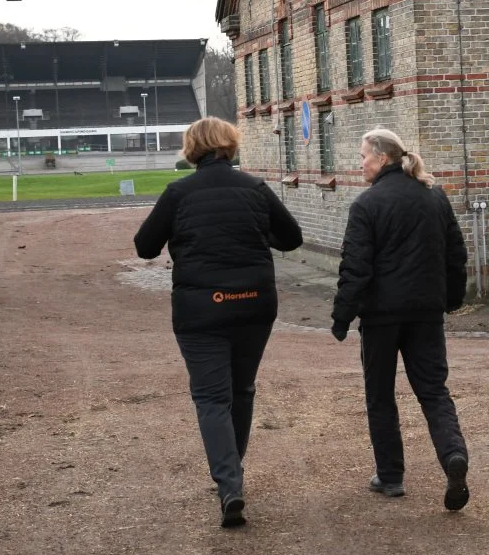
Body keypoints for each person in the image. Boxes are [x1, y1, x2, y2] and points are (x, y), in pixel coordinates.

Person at [134, 117, 303, 527]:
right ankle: (233, 475)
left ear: (192, 149)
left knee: (212, 398)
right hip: (253, 304)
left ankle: (230, 484)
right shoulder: (254, 188)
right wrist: (258, 234)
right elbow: (292, 237)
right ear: (229, 145)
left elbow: (144, 247)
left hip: (201, 309)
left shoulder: (179, 193)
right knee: (241, 389)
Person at [331, 127, 471, 511]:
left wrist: (342, 317)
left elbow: (355, 268)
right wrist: (451, 300)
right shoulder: (434, 197)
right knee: (433, 391)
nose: (360, 164)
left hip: (381, 318)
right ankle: (453, 456)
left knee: (380, 395)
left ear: (381, 158)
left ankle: (391, 476)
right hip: (426, 312)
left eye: (363, 157)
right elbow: (455, 254)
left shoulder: (366, 205)